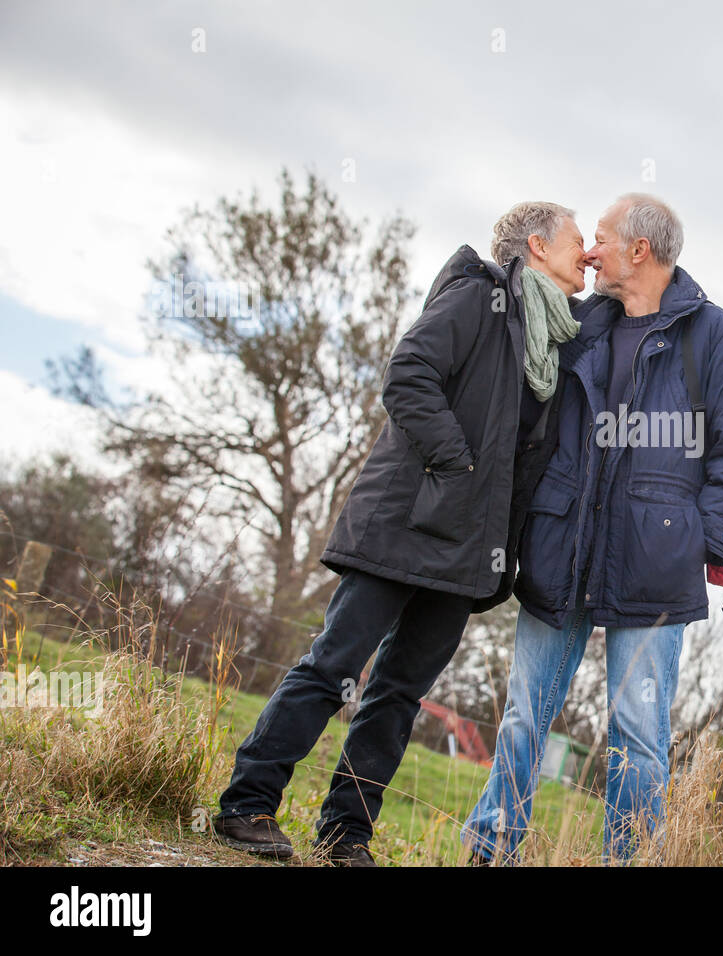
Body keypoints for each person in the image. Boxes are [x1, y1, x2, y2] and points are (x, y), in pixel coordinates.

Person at [212, 201, 587, 865]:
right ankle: (248, 805)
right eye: (578, 241)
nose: (586, 254)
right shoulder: (478, 299)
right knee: (333, 668)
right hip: (405, 522)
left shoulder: (550, 342)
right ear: (537, 244)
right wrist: (457, 463)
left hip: (468, 550)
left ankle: (345, 835)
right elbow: (408, 373)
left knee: (398, 696)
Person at [461, 194, 723, 864]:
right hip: (561, 545)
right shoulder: (580, 325)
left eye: (602, 238)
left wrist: (700, 537)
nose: (591, 252)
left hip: (654, 565)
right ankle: (491, 849)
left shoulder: (718, 338)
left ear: (641, 250)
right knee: (524, 715)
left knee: (637, 735)